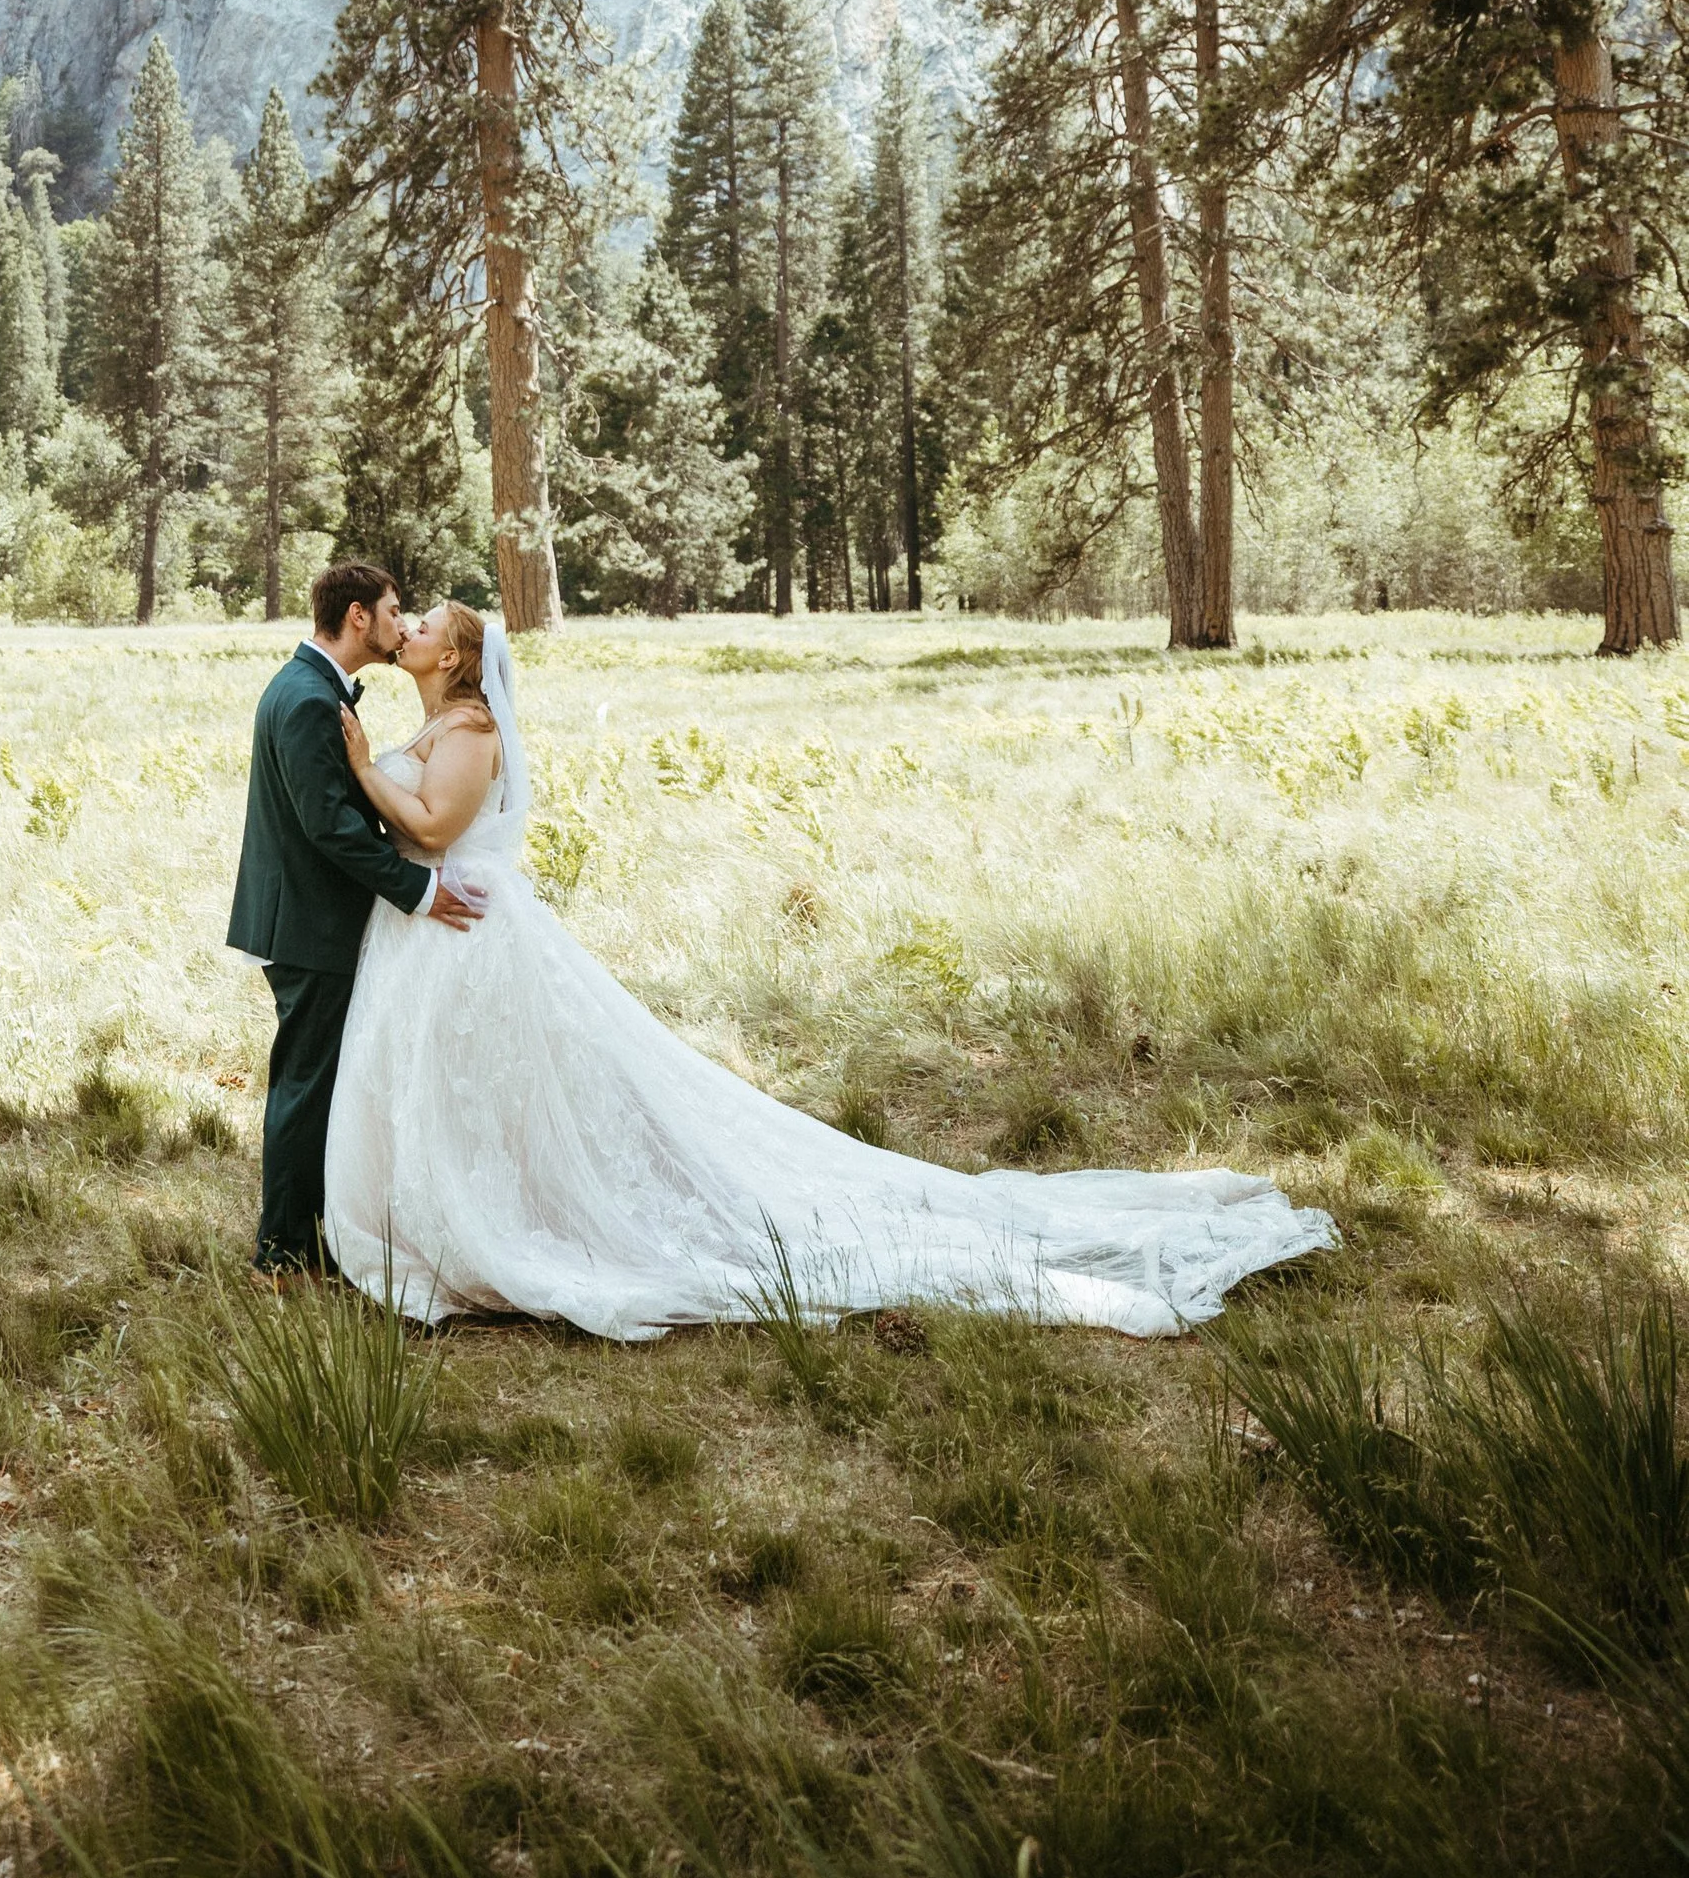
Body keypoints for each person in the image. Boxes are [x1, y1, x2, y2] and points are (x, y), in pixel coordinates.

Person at [322, 604, 1337, 1341]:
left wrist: (364, 768)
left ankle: (502, 1230)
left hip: (464, 929)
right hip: (432, 937)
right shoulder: (435, 720)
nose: (400, 627)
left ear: (451, 653)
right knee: (467, 1092)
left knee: (499, 1085)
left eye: (417, 625)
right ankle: (455, 1217)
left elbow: (435, 824)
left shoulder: (469, 729)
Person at [225, 556, 482, 1276]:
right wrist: (421, 891)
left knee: (323, 1081)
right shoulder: (308, 697)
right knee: (307, 1085)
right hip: (309, 923)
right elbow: (329, 828)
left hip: (311, 918)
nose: (402, 625)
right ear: (359, 616)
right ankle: (281, 1253)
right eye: (396, 610)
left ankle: (320, 1233)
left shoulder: (310, 686)